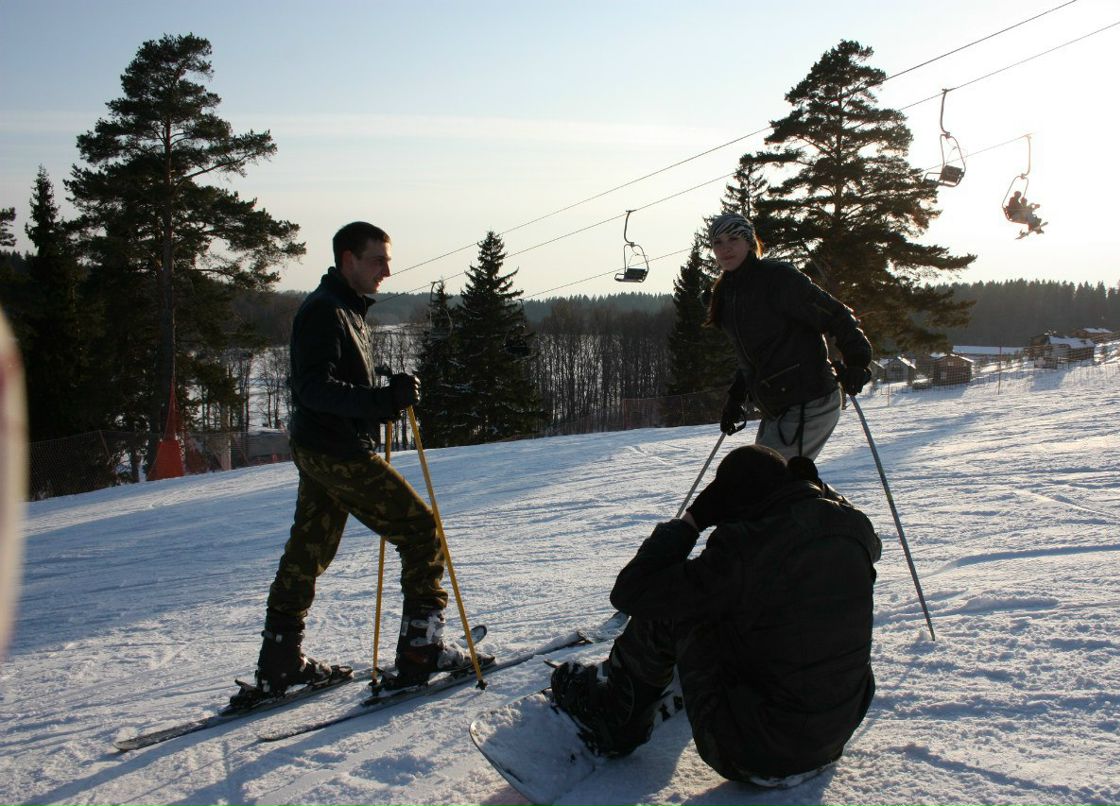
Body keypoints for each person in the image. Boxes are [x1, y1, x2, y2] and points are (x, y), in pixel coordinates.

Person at [549, 445, 881, 786]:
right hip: (835, 733)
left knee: (673, 606)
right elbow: (866, 542)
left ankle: (614, 719)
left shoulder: (745, 548)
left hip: (756, 754)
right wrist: (814, 489)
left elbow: (630, 592)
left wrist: (691, 522)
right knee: (767, 607)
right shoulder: (854, 528)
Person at [248, 221, 483, 699]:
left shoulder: (344, 308)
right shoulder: (326, 311)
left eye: (387, 261)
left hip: (320, 446)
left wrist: (382, 391)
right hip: (336, 449)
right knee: (420, 530)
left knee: (308, 548)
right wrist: (379, 401)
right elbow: (313, 387)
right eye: (378, 261)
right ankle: (421, 651)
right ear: (348, 259)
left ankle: (280, 661)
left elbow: (335, 380)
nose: (386, 271)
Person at [705, 212, 872, 461]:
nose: (725, 248)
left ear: (749, 242)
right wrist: (736, 397)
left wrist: (857, 361)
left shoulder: (777, 279)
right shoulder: (726, 294)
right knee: (774, 477)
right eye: (718, 242)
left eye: (733, 239)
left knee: (764, 477)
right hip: (778, 406)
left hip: (809, 398)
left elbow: (835, 314)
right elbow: (752, 355)